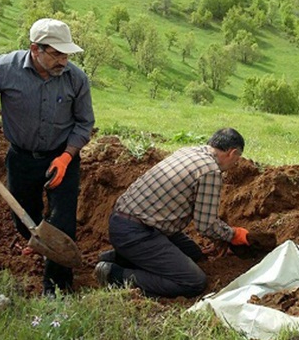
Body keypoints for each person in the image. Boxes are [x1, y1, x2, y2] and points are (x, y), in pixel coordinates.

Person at [0, 18, 95, 296]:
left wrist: (67, 157)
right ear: (35, 49)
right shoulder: (2, 69)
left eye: (66, 54)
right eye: (56, 53)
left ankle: (56, 290)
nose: (63, 60)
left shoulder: (76, 78)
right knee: (23, 218)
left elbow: (84, 123)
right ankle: (43, 247)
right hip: (21, 157)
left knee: (62, 221)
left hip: (61, 157)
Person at [94, 128, 250, 298]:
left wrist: (219, 237)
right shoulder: (211, 170)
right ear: (232, 152)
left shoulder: (188, 151)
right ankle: (115, 274)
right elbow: (206, 225)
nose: (236, 163)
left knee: (194, 254)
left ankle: (120, 257)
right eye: (237, 158)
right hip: (137, 233)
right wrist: (233, 235)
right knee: (193, 281)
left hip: (125, 221)